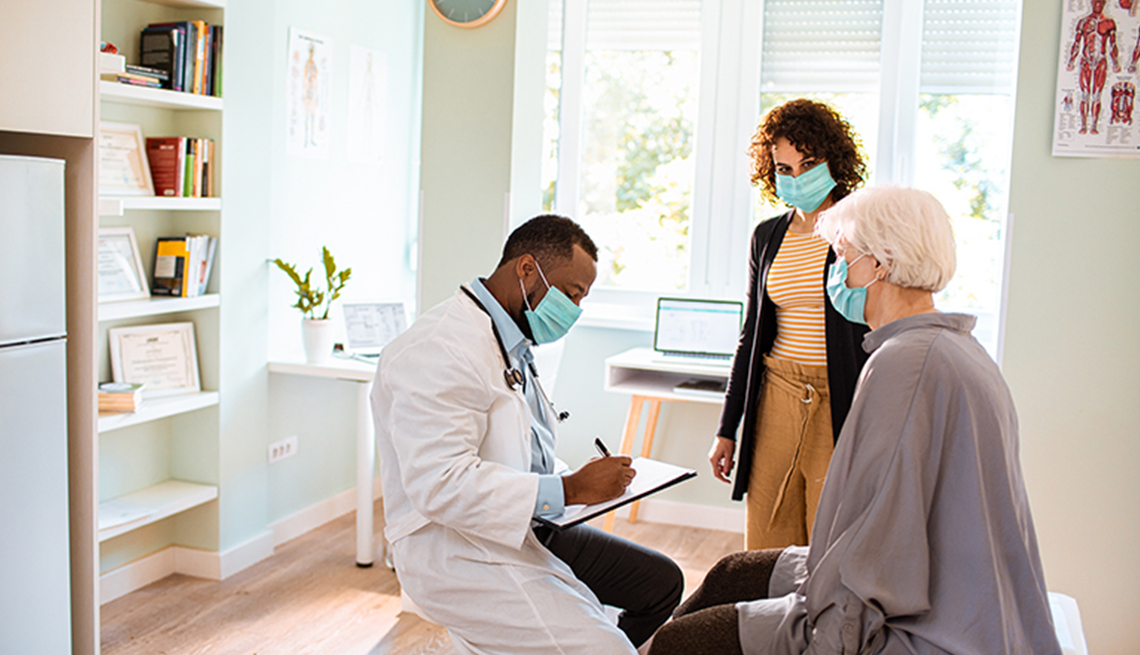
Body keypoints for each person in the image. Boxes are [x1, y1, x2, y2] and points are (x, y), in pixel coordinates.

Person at [649, 186, 1061, 655]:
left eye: (841, 256)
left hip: (922, 621)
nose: (835, 272)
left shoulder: (905, 365)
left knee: (684, 642)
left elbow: (877, 553)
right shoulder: (956, 348)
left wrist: (824, 637)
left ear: (879, 264)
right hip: (942, 584)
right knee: (730, 573)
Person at [371, 214, 683, 655]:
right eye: (572, 294)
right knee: (606, 648)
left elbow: (519, 449)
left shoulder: (510, 339)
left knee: (661, 583)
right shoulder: (438, 348)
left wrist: (572, 479)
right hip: (455, 547)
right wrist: (569, 489)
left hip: (525, 525)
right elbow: (439, 484)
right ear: (526, 270)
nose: (574, 310)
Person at [709, 99, 871, 550]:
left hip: (839, 398)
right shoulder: (767, 237)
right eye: (785, 167)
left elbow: (877, 329)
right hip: (776, 395)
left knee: (831, 535)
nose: (797, 178)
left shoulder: (862, 229)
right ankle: (768, 621)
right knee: (767, 533)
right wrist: (727, 428)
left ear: (834, 161)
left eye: (809, 163)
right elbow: (751, 337)